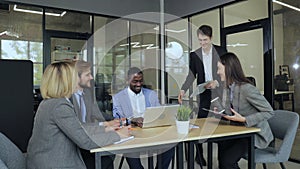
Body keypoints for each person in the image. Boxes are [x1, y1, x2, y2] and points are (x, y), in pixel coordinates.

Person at [26, 61, 131, 169]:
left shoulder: (49, 102)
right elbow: (85, 141)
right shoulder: (60, 106)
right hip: (55, 163)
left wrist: (106, 128)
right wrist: (118, 135)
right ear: (66, 81)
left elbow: (78, 127)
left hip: (44, 160)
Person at [178, 25, 227, 166]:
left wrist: (216, 82)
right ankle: (198, 155)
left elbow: (227, 71)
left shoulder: (221, 51)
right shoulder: (195, 55)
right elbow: (191, 75)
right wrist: (183, 90)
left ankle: (222, 157)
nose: (203, 43)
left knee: (221, 123)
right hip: (204, 93)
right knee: (200, 123)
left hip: (219, 92)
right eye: (200, 40)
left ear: (211, 38)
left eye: (205, 40)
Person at [216, 52, 274, 169]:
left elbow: (269, 112)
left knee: (227, 160)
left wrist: (245, 119)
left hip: (254, 134)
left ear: (228, 69)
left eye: (219, 69)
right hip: (239, 131)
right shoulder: (227, 88)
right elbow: (232, 111)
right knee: (222, 152)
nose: (217, 72)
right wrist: (220, 111)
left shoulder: (247, 89)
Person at [112, 67, 175, 169]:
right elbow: (117, 120)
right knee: (131, 150)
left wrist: (153, 119)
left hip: (151, 131)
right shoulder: (118, 98)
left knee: (169, 146)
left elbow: (158, 113)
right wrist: (133, 120)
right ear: (127, 81)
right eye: (135, 81)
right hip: (132, 133)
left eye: (140, 81)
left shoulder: (151, 94)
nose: (138, 84)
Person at [72, 60, 120, 169]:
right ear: (77, 78)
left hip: (89, 134)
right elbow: (77, 127)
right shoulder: (67, 99)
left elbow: (97, 113)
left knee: (110, 152)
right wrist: (105, 126)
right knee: (106, 155)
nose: (92, 77)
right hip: (76, 142)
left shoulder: (86, 94)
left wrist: (117, 120)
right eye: (87, 74)